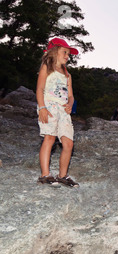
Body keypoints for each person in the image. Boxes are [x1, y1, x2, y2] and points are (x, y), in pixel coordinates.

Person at [36, 38, 79, 188]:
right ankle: (45, 175)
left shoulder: (68, 75)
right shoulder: (46, 67)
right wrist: (42, 108)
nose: (68, 56)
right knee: (49, 138)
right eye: (65, 52)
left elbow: (71, 96)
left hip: (63, 111)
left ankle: (62, 176)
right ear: (54, 52)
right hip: (49, 107)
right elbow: (40, 89)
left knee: (68, 143)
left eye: (68, 54)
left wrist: (70, 104)